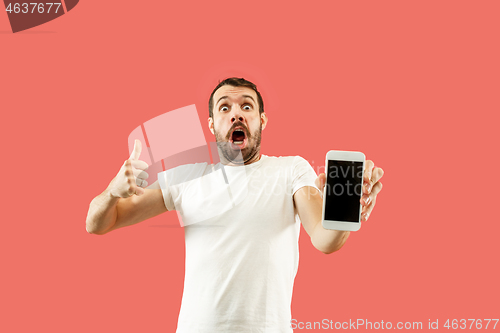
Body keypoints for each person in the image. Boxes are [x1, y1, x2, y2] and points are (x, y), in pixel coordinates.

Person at [85, 77, 384, 332]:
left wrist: (343, 211)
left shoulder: (291, 170)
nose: (236, 114)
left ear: (262, 120)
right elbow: (98, 223)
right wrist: (111, 192)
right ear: (212, 124)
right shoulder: (187, 175)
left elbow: (324, 239)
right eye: (225, 107)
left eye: (247, 106)